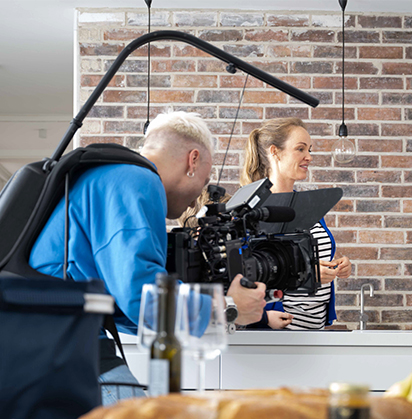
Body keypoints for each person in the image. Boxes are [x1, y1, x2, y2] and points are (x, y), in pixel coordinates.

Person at [29, 111, 266, 405]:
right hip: (57, 340)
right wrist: (227, 308)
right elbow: (141, 297)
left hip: (51, 337)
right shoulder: (137, 179)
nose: (196, 201)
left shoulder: (112, 176)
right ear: (193, 160)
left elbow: (129, 306)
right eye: (204, 182)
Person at [240, 117, 351, 330]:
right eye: (300, 149)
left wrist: (338, 266)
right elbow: (249, 273)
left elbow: (312, 257)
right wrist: (308, 274)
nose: (308, 157)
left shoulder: (309, 206)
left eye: (309, 150)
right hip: (278, 333)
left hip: (315, 330)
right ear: (275, 151)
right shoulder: (252, 212)